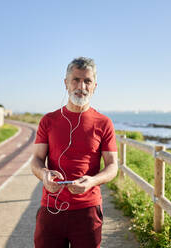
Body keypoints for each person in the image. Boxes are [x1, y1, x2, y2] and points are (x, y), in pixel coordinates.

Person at [31, 57, 118, 248]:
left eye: (87, 81)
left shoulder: (104, 123)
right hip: (51, 208)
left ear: (95, 85)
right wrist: (44, 174)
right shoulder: (49, 120)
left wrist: (92, 181)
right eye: (76, 80)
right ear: (66, 83)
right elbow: (37, 159)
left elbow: (112, 166)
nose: (82, 86)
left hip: (87, 211)